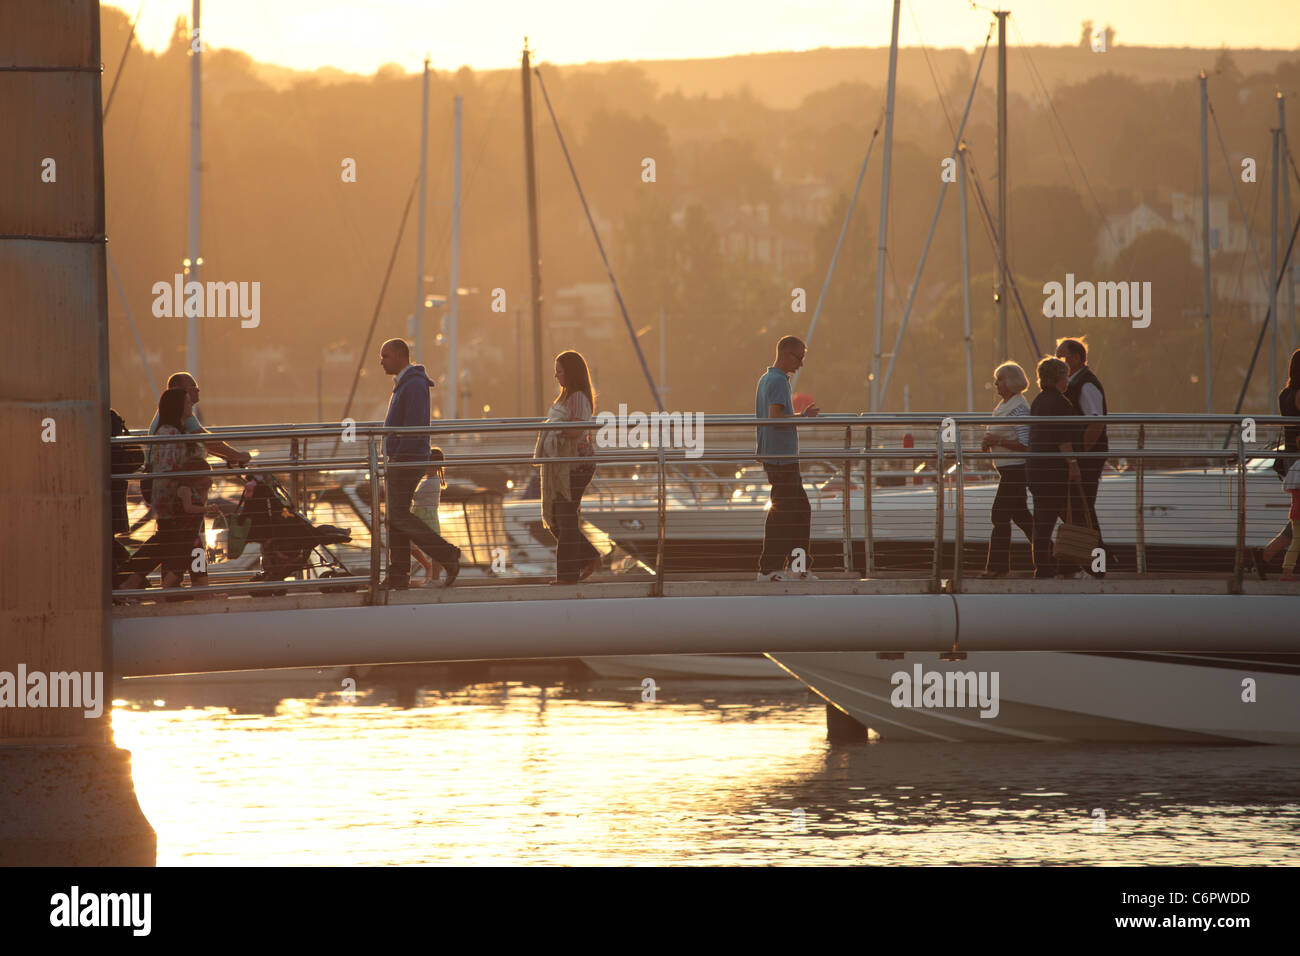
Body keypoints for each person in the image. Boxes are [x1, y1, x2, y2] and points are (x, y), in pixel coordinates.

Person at [122, 371, 251, 587]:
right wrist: (235, 456)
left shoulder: (176, 424)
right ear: (178, 395)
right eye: (191, 389)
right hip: (174, 492)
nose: (194, 395)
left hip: (179, 491)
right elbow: (205, 443)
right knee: (177, 540)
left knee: (182, 540)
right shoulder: (173, 428)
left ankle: (191, 584)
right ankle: (157, 583)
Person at [379, 338, 460, 588]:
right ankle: (399, 574)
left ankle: (446, 554)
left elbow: (413, 427)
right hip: (405, 459)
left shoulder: (412, 385)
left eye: (386, 356)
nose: (381, 361)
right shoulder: (407, 383)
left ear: (401, 357)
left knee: (398, 515)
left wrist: (398, 456)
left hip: (407, 459)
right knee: (396, 516)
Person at [120, 388, 204, 594]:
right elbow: (168, 470)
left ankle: (135, 580)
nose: (191, 405)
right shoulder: (170, 434)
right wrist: (182, 494)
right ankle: (174, 588)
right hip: (174, 501)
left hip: (173, 500)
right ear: (177, 407)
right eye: (186, 402)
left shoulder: (172, 431)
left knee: (169, 543)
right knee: (184, 542)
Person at [755, 335, 819, 582]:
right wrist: (803, 417)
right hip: (782, 458)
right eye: (799, 358)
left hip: (776, 456)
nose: (801, 364)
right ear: (786, 354)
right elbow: (775, 417)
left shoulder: (766, 379)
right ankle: (773, 568)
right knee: (786, 513)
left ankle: (794, 566)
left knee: (794, 510)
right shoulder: (779, 382)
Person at [534, 350, 600, 584]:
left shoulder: (578, 398)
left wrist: (554, 430)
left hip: (577, 467)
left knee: (564, 518)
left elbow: (577, 430)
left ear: (570, 373)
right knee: (559, 517)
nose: (556, 375)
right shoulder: (566, 397)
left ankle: (568, 575)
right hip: (565, 466)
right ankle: (589, 557)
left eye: (559, 371)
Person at [1056, 337, 1111, 568]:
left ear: (1076, 359)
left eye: (1061, 356)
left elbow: (1096, 424)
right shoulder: (1075, 384)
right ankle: (1096, 558)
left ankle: (1098, 560)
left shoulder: (1086, 385)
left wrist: (1079, 456)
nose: (1057, 360)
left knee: (1081, 505)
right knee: (1078, 505)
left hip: (1086, 457)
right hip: (1081, 456)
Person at [1028, 357, 1084, 579]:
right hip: (1053, 469)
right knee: (1068, 516)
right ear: (1059, 378)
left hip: (1035, 467)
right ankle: (1066, 563)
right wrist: (1073, 464)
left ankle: (1043, 565)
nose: (1067, 380)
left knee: (1043, 519)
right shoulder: (1061, 403)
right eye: (1065, 376)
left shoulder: (1038, 401)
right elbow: (1063, 439)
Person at [981, 361, 1034, 577]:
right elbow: (1002, 435)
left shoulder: (1019, 408)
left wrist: (998, 440)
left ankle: (997, 565)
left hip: (1016, 469)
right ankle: (1051, 555)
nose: (996, 383)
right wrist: (990, 441)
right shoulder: (1004, 406)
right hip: (1007, 468)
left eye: (1000, 379)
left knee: (999, 515)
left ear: (1011, 382)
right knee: (1022, 517)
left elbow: (1026, 444)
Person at [1256, 349, 1300, 577]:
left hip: (1290, 458)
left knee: (1298, 520)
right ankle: (1282, 567)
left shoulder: (1285, 393)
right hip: (1298, 459)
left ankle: (1266, 556)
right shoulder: (1299, 394)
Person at [109, 408, 144, 587]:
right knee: (108, 541)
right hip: (113, 489)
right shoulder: (109, 417)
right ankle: (132, 582)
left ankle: (129, 583)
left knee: (106, 542)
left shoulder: (102, 418)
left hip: (107, 491)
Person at [411, 448, 448, 587]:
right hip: (421, 514)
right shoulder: (429, 480)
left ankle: (436, 578)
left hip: (427, 516)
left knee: (434, 547)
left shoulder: (431, 482)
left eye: (428, 464)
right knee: (412, 544)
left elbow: (416, 496)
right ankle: (428, 567)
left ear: (436, 467)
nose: (425, 466)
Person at [1280, 458, 1300, 582]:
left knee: (1297, 541)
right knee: (1297, 542)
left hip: (1296, 510)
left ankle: (1287, 571)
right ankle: (1287, 572)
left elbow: (1286, 487)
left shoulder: (1296, 465)